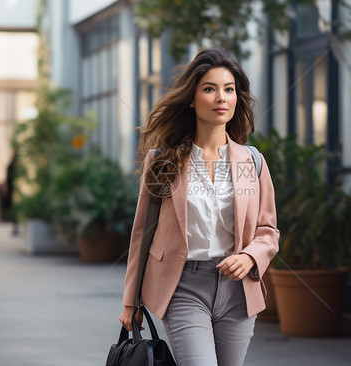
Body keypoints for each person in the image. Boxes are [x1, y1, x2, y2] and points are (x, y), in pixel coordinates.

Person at [119, 47, 280, 366]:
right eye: (210, 88)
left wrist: (250, 257)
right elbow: (142, 234)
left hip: (238, 292)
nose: (222, 97)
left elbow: (268, 231)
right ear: (191, 99)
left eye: (229, 89)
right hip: (183, 287)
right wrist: (130, 301)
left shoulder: (252, 162)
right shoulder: (162, 160)